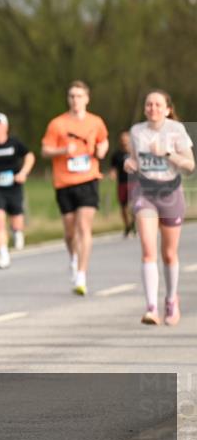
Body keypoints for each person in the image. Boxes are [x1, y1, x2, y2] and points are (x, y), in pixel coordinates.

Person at [124, 90, 194, 326]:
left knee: (169, 254)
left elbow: (190, 166)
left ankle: (171, 299)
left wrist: (166, 153)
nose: (152, 108)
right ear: (145, 109)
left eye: (157, 104)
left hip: (171, 194)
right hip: (145, 193)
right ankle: (151, 307)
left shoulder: (176, 130)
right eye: (149, 104)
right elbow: (134, 158)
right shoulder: (137, 131)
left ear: (166, 108)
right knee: (147, 249)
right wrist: (129, 163)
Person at [41, 81, 109, 296]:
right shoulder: (57, 124)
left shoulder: (95, 122)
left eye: (79, 96)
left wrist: (101, 150)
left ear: (87, 99)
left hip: (88, 180)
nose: (75, 100)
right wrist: (62, 150)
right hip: (64, 182)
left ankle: (81, 275)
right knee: (70, 233)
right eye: (71, 96)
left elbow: (104, 141)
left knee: (83, 227)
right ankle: (73, 258)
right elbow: (44, 151)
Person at [0, 113, 35, 269]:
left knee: (16, 220)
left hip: (14, 187)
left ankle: (17, 232)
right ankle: (3, 254)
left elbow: (30, 156)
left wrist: (23, 173)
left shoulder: (14, 143)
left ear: (5, 127)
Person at [108, 131, 135, 237]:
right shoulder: (116, 155)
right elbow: (113, 168)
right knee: (123, 207)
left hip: (134, 182)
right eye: (123, 140)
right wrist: (112, 174)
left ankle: (134, 223)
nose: (124, 142)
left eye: (126, 140)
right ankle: (127, 225)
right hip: (122, 183)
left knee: (135, 205)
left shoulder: (135, 152)